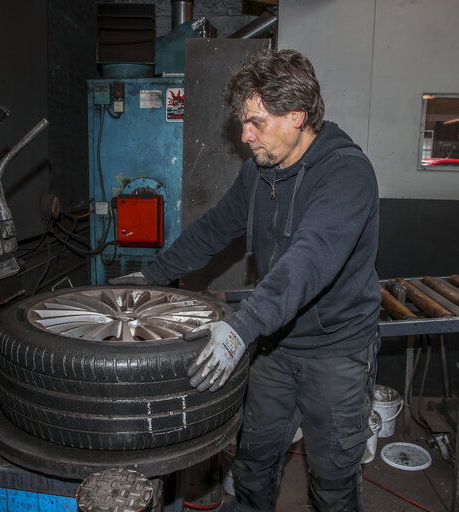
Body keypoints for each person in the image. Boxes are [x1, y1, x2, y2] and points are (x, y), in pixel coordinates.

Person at [111, 49, 381, 512]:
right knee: (253, 460)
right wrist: (151, 278)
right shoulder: (259, 172)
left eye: (255, 121)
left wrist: (242, 326)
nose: (244, 134)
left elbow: (310, 259)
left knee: (333, 476)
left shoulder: (347, 174)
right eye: (242, 121)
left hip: (336, 353)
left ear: (296, 116)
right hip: (275, 345)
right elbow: (214, 229)